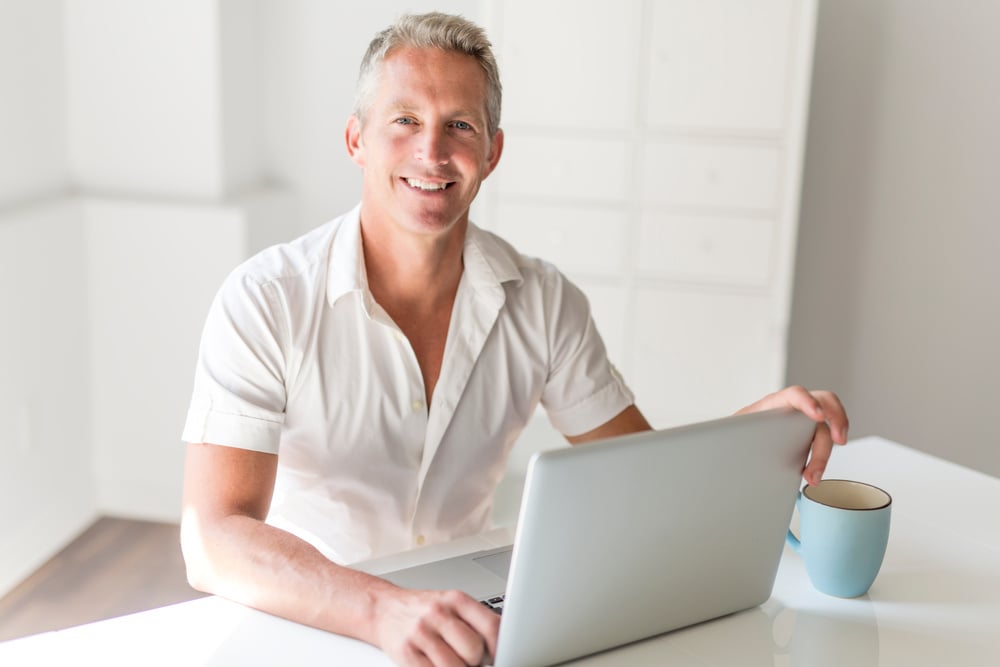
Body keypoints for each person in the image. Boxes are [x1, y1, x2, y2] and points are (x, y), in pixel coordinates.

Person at [179, 12, 848, 667]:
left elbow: (642, 477)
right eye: (404, 120)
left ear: (492, 152)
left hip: (469, 627)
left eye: (460, 126)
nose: (432, 152)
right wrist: (382, 608)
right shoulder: (265, 298)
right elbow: (212, 538)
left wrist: (757, 431)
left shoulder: (544, 302)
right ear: (356, 139)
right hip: (310, 617)